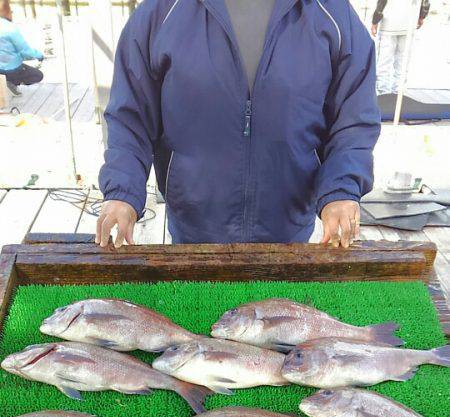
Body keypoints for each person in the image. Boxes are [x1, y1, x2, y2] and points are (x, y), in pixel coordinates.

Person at [97, 0, 381, 249]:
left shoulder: (332, 14)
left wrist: (341, 189)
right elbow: (129, 116)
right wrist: (123, 192)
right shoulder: (161, 12)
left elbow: (353, 118)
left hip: (290, 228)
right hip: (192, 228)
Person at [371, 0, 430, 96]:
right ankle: (398, 91)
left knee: (384, 62)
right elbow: (425, 2)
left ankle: (383, 93)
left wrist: (375, 21)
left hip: (389, 22)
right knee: (403, 62)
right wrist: (422, 16)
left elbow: (382, 2)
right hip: (409, 22)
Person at [0, 0, 44, 96]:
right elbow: (25, 51)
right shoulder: (10, 28)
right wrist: (39, 55)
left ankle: (6, 82)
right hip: (11, 70)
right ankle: (12, 83)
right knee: (38, 75)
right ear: (7, 10)